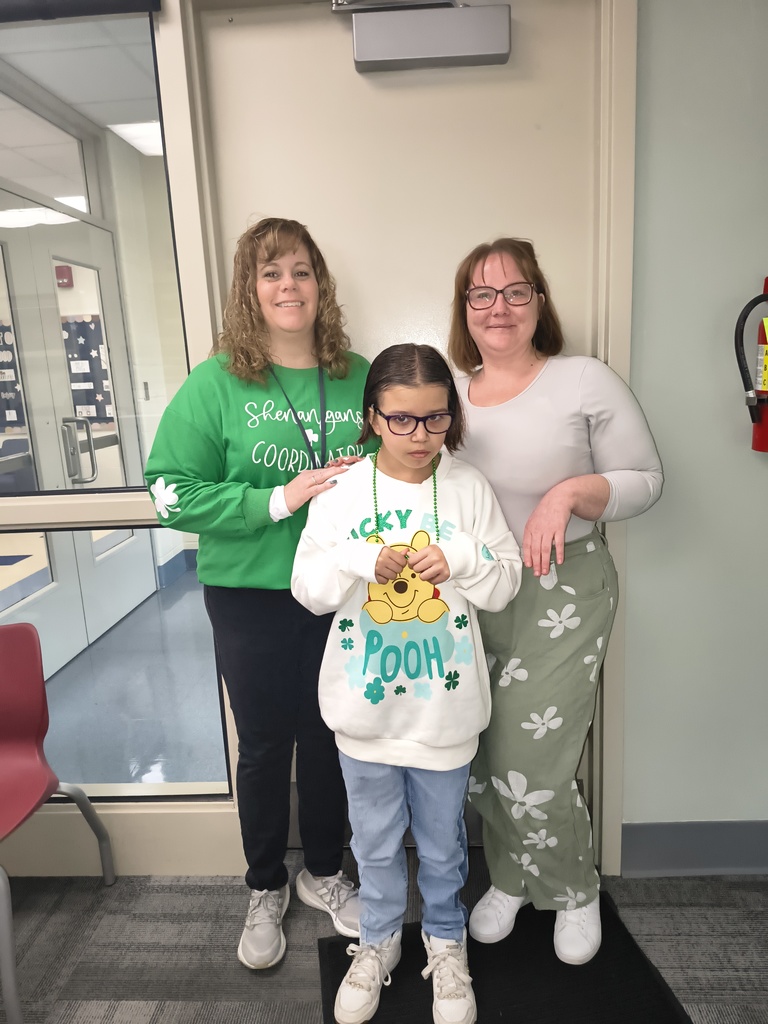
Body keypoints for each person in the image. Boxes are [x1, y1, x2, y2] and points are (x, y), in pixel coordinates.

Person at [144, 217, 372, 970]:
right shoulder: (216, 382)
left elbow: (398, 462)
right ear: (249, 289)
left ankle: (327, 874)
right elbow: (171, 495)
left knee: (333, 737)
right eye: (271, 273)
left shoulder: (357, 374)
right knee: (268, 744)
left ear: (321, 284)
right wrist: (274, 501)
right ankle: (265, 884)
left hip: (341, 594)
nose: (288, 286)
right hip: (250, 595)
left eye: (301, 271)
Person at [292, 344, 523, 1024]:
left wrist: (459, 557)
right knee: (375, 840)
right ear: (372, 417)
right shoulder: (339, 491)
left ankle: (446, 944)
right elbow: (307, 589)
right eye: (401, 420)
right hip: (364, 711)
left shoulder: (468, 486)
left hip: (444, 711)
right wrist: (364, 560)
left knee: (446, 841)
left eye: (434, 419)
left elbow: (505, 583)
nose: (419, 436)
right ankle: (379, 939)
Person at [448, 238, 663, 966]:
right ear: (464, 310)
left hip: (564, 589)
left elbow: (646, 478)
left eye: (516, 291)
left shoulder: (582, 380)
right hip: (476, 590)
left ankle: (573, 888)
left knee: (534, 756)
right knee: (480, 751)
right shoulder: (453, 393)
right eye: (482, 294)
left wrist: (570, 493)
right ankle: (510, 876)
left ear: (539, 300)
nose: (499, 307)